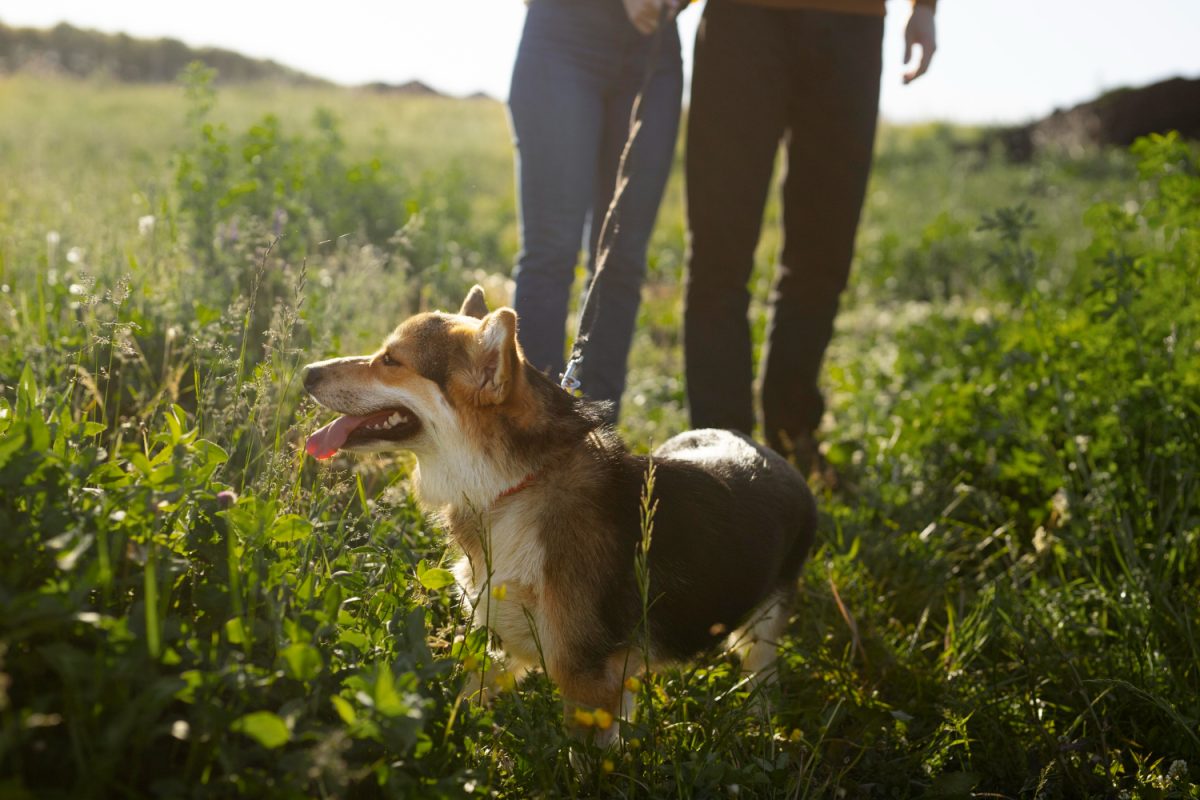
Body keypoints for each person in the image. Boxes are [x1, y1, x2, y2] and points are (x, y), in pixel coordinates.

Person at [683, 0, 937, 471]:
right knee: (718, 251)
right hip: (741, 19)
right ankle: (719, 459)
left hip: (852, 24)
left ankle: (791, 438)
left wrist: (924, 7)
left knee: (823, 253)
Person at [508, 0, 683, 421]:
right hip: (563, 32)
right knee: (551, 251)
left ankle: (597, 437)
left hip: (653, 47)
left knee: (621, 259)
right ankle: (528, 430)